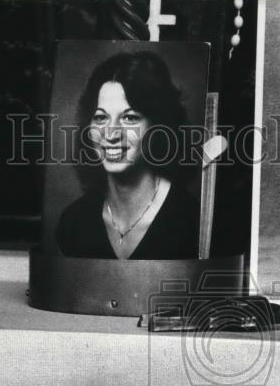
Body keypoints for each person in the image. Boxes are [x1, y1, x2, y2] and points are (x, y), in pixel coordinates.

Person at [55, 52, 200, 260]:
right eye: (101, 117)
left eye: (130, 118)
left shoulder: (193, 222)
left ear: (157, 127)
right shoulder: (73, 222)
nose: (111, 133)